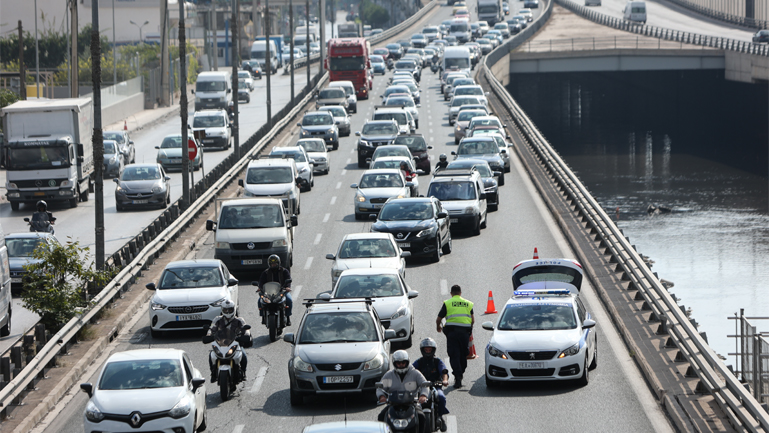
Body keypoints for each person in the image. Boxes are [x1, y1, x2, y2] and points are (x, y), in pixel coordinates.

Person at [377, 350, 429, 432]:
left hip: (412, 404)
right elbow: (380, 388)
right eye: (398, 363)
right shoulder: (389, 375)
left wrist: (423, 395)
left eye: (403, 363)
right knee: (381, 416)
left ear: (407, 362)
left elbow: (424, 384)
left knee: (421, 416)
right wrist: (381, 396)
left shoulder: (415, 373)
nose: (401, 365)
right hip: (393, 405)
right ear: (394, 363)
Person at [203, 299, 251, 383]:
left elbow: (246, 330)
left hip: (235, 343)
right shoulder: (217, 320)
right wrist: (209, 335)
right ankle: (213, 373)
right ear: (222, 309)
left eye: (230, 309)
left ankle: (243, 372)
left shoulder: (240, 320)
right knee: (211, 355)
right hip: (220, 343)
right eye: (225, 310)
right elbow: (211, 329)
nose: (228, 312)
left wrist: (246, 336)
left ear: (234, 309)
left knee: (243, 354)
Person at [436, 284, 474, 388]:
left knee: (454, 354)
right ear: (460, 293)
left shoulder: (448, 303)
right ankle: (460, 372)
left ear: (451, 293)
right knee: (463, 354)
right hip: (464, 333)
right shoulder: (468, 303)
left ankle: (458, 376)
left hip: (452, 333)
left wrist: (438, 326)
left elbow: (439, 318)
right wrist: (469, 331)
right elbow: (472, 320)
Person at [413, 337, 450, 432]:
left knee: (441, 397)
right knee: (412, 399)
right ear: (423, 350)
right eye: (426, 349)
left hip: (435, 386)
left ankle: (440, 417)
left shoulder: (437, 361)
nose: (428, 351)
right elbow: (411, 370)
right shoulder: (419, 362)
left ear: (433, 350)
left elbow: (444, 371)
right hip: (421, 387)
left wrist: (445, 380)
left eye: (430, 349)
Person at [258, 254, 293, 326]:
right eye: (272, 264)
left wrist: (287, 287)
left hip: (282, 291)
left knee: (289, 300)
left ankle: (288, 317)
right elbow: (261, 281)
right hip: (269, 292)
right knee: (260, 300)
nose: (273, 265)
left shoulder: (284, 271)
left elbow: (288, 279)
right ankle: (263, 317)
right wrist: (260, 288)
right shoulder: (266, 272)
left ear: (278, 263)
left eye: (275, 263)